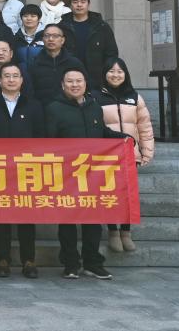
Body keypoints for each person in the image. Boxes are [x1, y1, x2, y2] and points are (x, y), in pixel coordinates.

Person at [46, 67, 130, 280]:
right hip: (66, 175)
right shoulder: (54, 109)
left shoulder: (94, 107)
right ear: (62, 85)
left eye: (79, 81)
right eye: (70, 81)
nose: (75, 85)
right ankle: (70, 263)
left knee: (93, 220)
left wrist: (123, 138)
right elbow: (48, 141)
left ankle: (92, 262)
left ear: (85, 84)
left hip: (92, 175)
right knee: (67, 222)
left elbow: (103, 132)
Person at [0, 63, 45, 278]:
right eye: (6, 76)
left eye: (15, 76)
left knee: (26, 215)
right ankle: (3, 260)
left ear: (22, 80)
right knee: (1, 216)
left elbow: (40, 136)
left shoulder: (33, 105)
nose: (11, 80)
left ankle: (29, 260)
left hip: (26, 168)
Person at [97, 57, 155, 253]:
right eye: (111, 71)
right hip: (107, 155)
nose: (115, 75)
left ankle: (126, 232)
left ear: (125, 74)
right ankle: (113, 232)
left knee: (127, 195)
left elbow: (144, 126)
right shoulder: (95, 96)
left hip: (129, 154)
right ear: (104, 74)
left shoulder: (135, 97)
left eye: (119, 71)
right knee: (110, 195)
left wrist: (146, 151)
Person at [61, 0, 119, 82]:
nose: (79, 5)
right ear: (70, 5)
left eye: (83, 2)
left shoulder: (101, 26)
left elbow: (111, 53)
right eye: (75, 2)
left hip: (97, 78)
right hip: (70, 78)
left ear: (88, 4)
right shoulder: (62, 27)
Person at [29, 23, 85, 106]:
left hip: (70, 108)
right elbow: (30, 92)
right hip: (42, 108)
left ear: (62, 40)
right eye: (47, 36)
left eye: (55, 36)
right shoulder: (35, 63)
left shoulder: (74, 63)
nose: (50, 39)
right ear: (43, 39)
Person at [14, 3, 45, 74]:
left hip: (42, 74)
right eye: (25, 16)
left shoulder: (46, 35)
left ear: (39, 18)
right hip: (20, 75)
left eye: (33, 16)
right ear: (21, 18)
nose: (29, 19)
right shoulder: (16, 37)